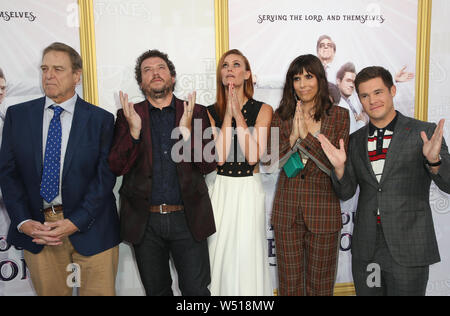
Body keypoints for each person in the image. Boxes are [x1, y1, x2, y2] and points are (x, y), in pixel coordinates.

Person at [0, 42, 120, 296]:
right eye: (44, 68)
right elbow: (8, 174)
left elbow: (104, 177)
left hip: (93, 227)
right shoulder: (17, 116)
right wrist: (23, 221)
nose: (48, 75)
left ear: (76, 76)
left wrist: (76, 222)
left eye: (57, 69)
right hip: (40, 231)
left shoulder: (101, 120)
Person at [319, 66, 450, 296]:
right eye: (365, 95)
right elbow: (346, 192)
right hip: (368, 248)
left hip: (409, 247)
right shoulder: (354, 140)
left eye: (378, 92)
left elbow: (448, 184)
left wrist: (434, 160)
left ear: (393, 90)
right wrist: (339, 169)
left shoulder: (423, 132)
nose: (372, 100)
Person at [108, 49, 216, 296]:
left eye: (160, 68)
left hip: (188, 219)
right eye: (147, 70)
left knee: (196, 292)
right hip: (145, 223)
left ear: (172, 77)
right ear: (141, 82)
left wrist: (187, 133)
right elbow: (116, 166)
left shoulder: (195, 112)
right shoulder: (128, 115)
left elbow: (208, 164)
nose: (155, 73)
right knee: (156, 292)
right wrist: (134, 133)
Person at [269, 54, 350, 296]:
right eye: (296, 78)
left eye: (308, 76)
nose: (303, 84)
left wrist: (306, 138)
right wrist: (293, 137)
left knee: (321, 287)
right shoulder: (280, 115)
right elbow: (270, 161)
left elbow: (333, 165)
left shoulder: (339, 116)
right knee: (289, 286)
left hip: (323, 212)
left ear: (320, 80)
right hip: (287, 212)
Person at [206, 49, 273, 296]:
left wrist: (239, 118)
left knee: (248, 254)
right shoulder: (209, 111)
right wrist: (227, 115)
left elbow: (254, 156)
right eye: (225, 65)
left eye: (236, 64)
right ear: (220, 75)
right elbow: (220, 157)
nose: (230, 69)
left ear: (247, 74)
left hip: (248, 188)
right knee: (218, 253)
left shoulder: (263, 109)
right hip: (220, 188)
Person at [336, 62, 368, 134]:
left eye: (353, 82)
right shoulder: (336, 103)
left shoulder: (352, 98)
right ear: (338, 81)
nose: (351, 85)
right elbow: (350, 135)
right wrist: (361, 122)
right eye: (348, 80)